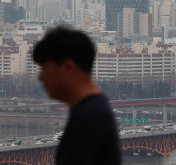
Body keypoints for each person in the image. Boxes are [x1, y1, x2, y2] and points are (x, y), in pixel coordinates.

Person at [33, 26, 121, 164]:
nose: (41, 77)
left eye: (44, 68)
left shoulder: (90, 117)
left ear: (68, 67)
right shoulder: (92, 110)